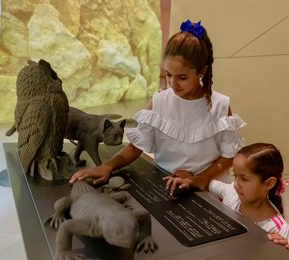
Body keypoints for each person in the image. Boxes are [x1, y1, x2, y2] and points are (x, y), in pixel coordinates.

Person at [70, 20, 246, 193]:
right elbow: (135, 146)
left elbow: (228, 156)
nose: (173, 83)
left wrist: (200, 178)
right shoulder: (159, 102)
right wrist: (107, 167)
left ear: (202, 71)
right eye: (168, 75)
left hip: (208, 188)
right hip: (165, 185)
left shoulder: (220, 105)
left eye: (182, 77)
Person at [174, 142, 289, 250]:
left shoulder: (276, 228)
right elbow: (207, 183)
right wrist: (190, 180)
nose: (236, 184)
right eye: (236, 176)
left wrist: (284, 247)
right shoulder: (232, 193)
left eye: (244, 179)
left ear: (268, 183)